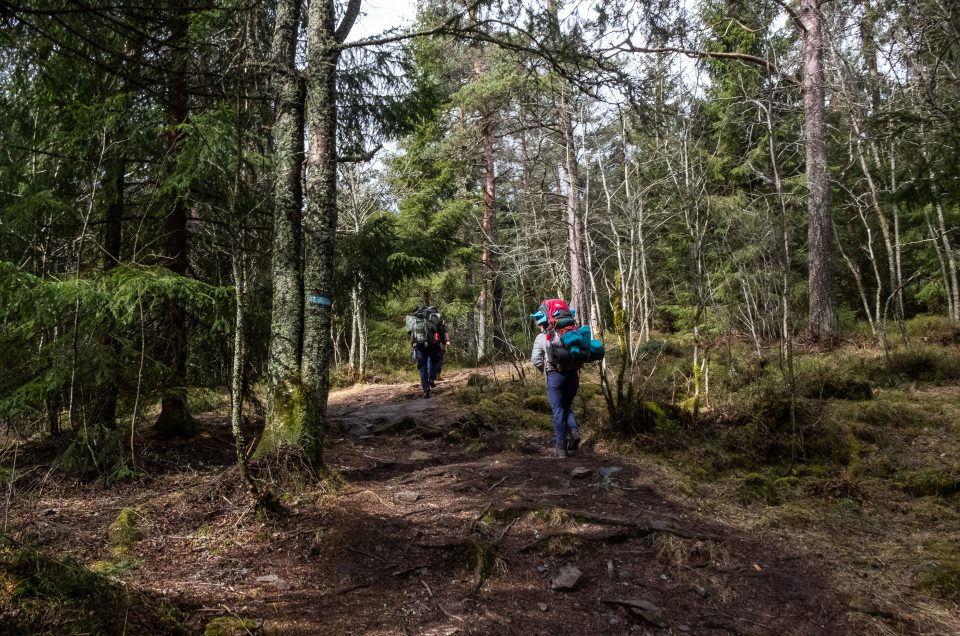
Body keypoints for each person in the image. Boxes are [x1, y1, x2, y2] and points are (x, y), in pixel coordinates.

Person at [530, 309, 582, 458]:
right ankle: (573, 431)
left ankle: (561, 448)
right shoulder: (569, 334)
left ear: (542, 324)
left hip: (555, 376)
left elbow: (536, 360)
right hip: (573, 375)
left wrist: (545, 371)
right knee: (566, 407)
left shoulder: (542, 337)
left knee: (558, 410)